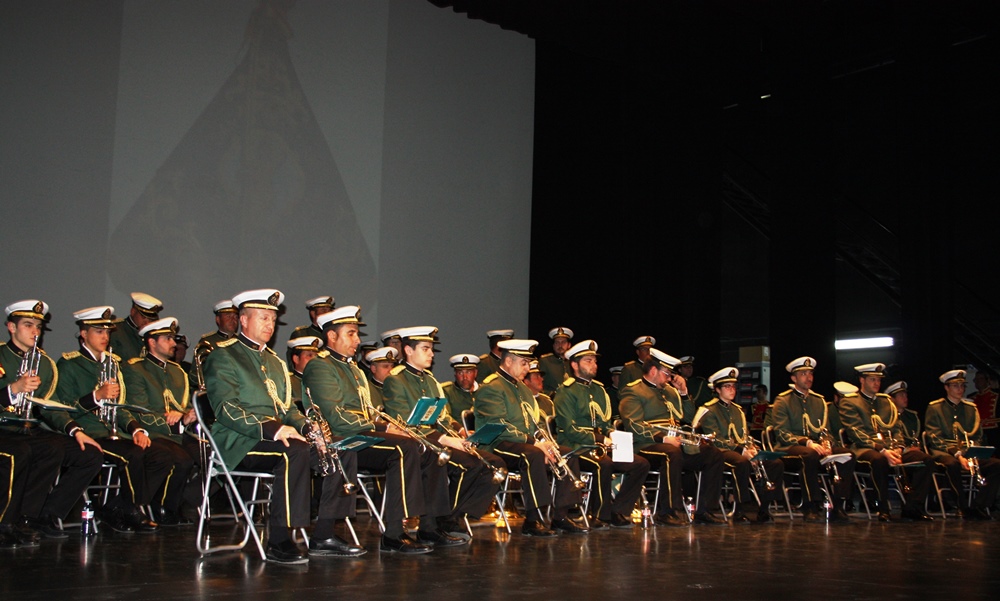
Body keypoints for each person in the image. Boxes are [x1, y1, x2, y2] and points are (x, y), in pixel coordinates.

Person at [204, 289, 364, 563]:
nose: (270, 325)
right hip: (237, 440)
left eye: (272, 319)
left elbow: (287, 409)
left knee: (340, 448)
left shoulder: (274, 362)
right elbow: (226, 409)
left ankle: (323, 535)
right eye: (263, 318)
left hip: (275, 437)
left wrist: (306, 429)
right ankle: (279, 539)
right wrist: (274, 429)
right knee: (293, 452)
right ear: (243, 320)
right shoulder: (223, 356)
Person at [301, 305, 437, 554]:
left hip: (358, 434)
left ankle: (420, 525)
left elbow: (367, 411)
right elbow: (335, 416)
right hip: (335, 438)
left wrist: (391, 425)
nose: (358, 340)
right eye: (351, 333)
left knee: (420, 446)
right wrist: (383, 427)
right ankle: (326, 535)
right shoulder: (319, 366)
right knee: (400, 447)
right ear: (332, 336)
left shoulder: (353, 368)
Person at [382, 326, 504, 539]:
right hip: (420, 444)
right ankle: (434, 523)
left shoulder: (429, 379)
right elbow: (404, 424)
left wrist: (459, 432)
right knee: (468, 465)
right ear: (409, 350)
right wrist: (446, 439)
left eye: (431, 349)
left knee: (493, 465)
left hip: (438, 441)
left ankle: (448, 517)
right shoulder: (396, 380)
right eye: (426, 348)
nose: (431, 353)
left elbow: (443, 416)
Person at [57, 305, 167, 533]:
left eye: (107, 332)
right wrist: (95, 397)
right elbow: (65, 407)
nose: (105, 337)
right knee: (132, 455)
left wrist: (136, 429)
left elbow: (120, 407)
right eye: (99, 332)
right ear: (83, 334)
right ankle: (131, 509)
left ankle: (117, 507)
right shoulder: (69, 365)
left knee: (158, 455)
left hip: (115, 432)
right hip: (89, 432)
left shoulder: (112, 365)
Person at [0, 300, 104, 541]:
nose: (35, 331)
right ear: (11, 328)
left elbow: (51, 406)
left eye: (38, 326)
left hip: (27, 429)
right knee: (21, 452)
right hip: (4, 428)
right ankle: (5, 523)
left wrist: (75, 430)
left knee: (87, 453)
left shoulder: (45, 364)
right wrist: (13, 389)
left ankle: (40, 516)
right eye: (28, 325)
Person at [474, 338, 589, 536]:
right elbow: (499, 426)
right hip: (495, 443)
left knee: (566, 453)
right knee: (532, 454)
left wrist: (546, 443)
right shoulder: (491, 387)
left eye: (528, 363)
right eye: (524, 363)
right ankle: (533, 519)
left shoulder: (523, 390)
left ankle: (560, 516)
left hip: (524, 443)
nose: (527, 368)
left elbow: (535, 424)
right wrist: (536, 444)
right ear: (508, 361)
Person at [618, 347, 727, 526]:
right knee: (670, 453)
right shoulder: (633, 391)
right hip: (645, 445)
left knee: (713, 454)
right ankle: (667, 511)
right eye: (667, 374)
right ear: (653, 371)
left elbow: (689, 419)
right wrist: (662, 438)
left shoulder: (669, 391)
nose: (670, 378)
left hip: (673, 443)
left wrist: (684, 393)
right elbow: (634, 425)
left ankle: (705, 510)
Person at [553, 340, 649, 529]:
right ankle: (600, 516)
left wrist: (612, 434)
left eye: (595, 361)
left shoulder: (599, 389)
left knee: (640, 464)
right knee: (602, 463)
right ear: (574, 364)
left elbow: (604, 423)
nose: (594, 365)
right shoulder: (566, 391)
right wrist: (599, 439)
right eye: (588, 361)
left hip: (601, 446)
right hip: (576, 447)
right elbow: (569, 429)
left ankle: (618, 510)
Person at [121, 317, 200, 525]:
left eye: (173, 338)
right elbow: (139, 411)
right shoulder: (136, 369)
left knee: (209, 456)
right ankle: (160, 507)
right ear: (151, 342)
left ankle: (181, 502)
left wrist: (186, 414)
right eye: (167, 338)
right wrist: (177, 420)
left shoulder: (178, 372)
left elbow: (182, 406)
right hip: (153, 432)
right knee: (181, 460)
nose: (174, 343)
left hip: (178, 433)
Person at [839, 362, 935, 521]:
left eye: (878, 380)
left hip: (892, 449)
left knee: (926, 460)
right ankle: (883, 508)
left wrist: (898, 448)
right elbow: (855, 433)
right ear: (862, 381)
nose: (877, 384)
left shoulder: (886, 402)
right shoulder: (850, 401)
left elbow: (897, 428)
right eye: (872, 380)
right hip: (865, 449)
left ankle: (912, 506)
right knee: (879, 460)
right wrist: (883, 450)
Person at [769, 356, 856, 522]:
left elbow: (826, 430)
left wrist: (827, 443)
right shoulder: (783, 400)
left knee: (847, 455)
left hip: (817, 447)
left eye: (810, 373)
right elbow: (781, 433)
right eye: (803, 374)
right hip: (789, 448)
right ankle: (810, 505)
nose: (808, 377)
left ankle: (838, 505)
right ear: (794, 378)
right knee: (809, 455)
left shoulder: (819, 401)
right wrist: (807, 442)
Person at [693, 367, 784, 524]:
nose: (732, 389)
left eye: (733, 386)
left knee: (775, 463)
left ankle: (764, 508)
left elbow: (744, 436)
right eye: (727, 386)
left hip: (740, 450)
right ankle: (739, 509)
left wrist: (751, 449)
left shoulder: (738, 411)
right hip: (719, 452)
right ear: (717, 389)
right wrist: (742, 451)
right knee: (740, 462)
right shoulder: (709, 410)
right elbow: (715, 440)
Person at [923, 369, 1000, 520]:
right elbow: (934, 437)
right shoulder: (935, 408)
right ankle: (961, 505)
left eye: (962, 386)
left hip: (968, 452)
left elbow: (977, 436)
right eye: (955, 386)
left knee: (996, 465)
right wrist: (957, 454)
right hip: (945, 452)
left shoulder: (971, 408)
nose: (960, 389)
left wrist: (970, 454)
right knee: (952, 464)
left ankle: (979, 505)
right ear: (946, 387)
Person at [108, 292, 163, 362]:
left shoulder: (152, 334)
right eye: (143, 317)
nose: (147, 321)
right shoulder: (115, 331)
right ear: (133, 312)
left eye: (151, 319)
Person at [286, 295, 334, 364]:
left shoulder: (336, 335)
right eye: (323, 311)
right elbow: (293, 364)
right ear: (313, 313)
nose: (327, 314)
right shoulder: (302, 334)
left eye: (329, 311)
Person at [287, 335, 323, 412]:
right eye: (309, 355)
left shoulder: (324, 381)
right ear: (296, 359)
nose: (314, 360)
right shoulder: (288, 382)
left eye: (316, 356)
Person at [969, 368, 1000, 449]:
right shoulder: (971, 398)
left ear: (987, 380)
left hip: (994, 432)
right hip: (977, 432)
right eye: (976, 379)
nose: (978, 381)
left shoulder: (997, 396)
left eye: (981, 379)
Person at [441, 353, 479, 419]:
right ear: (455, 374)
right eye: (460, 373)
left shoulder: (485, 391)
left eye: (468, 372)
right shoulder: (447, 392)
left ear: (475, 373)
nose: (465, 377)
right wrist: (460, 429)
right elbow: (445, 417)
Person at [538, 326, 573, 396]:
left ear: (569, 345)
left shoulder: (573, 362)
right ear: (553, 345)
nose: (560, 345)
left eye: (563, 342)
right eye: (557, 342)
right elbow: (537, 385)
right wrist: (551, 394)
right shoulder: (545, 361)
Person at [885, 380, 921, 448]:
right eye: (901, 395)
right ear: (892, 399)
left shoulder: (912, 416)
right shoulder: (888, 416)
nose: (905, 398)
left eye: (905, 395)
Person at [363, 346, 397, 410]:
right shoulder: (367, 391)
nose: (391, 370)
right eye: (385, 366)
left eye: (392, 366)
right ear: (374, 369)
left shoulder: (397, 388)